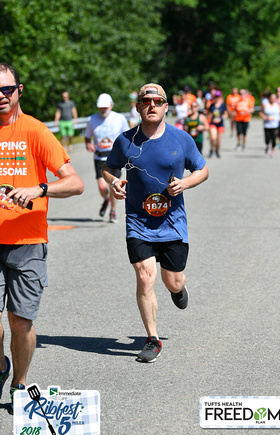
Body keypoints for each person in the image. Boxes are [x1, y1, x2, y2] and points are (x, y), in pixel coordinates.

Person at [102, 83, 209, 363]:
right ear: (138, 107)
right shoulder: (125, 141)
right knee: (145, 276)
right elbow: (108, 168)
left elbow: (203, 169)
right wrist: (114, 182)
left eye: (157, 100)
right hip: (138, 220)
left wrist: (185, 183)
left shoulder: (181, 139)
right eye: (145, 101)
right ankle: (152, 338)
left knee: (172, 281)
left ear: (166, 107)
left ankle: (179, 289)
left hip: (172, 222)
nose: (152, 105)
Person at [0, 63, 84, 413]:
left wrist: (40, 188)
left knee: (20, 322)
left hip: (28, 241)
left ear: (20, 89)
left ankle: (19, 381)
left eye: (6, 89)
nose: (1, 97)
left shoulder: (35, 131)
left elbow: (75, 182)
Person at [85, 93, 129, 223]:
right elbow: (87, 136)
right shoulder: (91, 119)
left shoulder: (119, 118)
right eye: (100, 108)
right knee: (102, 186)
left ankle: (113, 210)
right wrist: (88, 144)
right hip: (99, 156)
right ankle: (106, 199)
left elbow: (127, 135)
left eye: (105, 107)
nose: (103, 110)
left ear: (111, 105)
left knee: (113, 185)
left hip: (115, 156)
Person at [259, 92, 280, 157]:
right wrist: (265, 117)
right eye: (271, 98)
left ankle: (272, 151)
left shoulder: (278, 105)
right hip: (267, 125)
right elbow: (261, 113)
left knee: (274, 138)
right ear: (269, 98)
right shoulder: (265, 105)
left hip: (275, 125)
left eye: (274, 98)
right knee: (267, 139)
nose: (272, 99)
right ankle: (267, 146)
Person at [207, 90, 228, 158]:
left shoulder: (223, 105)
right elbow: (209, 114)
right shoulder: (212, 105)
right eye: (215, 96)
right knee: (213, 137)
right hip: (213, 123)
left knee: (219, 140)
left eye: (218, 96)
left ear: (220, 97)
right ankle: (212, 148)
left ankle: (217, 151)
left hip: (220, 124)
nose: (217, 98)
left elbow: (226, 114)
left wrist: (222, 118)